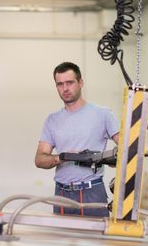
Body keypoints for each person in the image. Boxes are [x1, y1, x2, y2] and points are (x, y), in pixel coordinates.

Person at [35, 62, 119, 217]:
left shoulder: (103, 114)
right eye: (60, 84)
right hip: (61, 195)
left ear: (80, 83)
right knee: (60, 240)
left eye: (70, 82)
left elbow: (128, 147)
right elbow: (40, 160)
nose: (65, 88)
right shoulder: (52, 120)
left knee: (95, 241)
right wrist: (64, 157)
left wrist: (110, 158)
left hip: (91, 191)